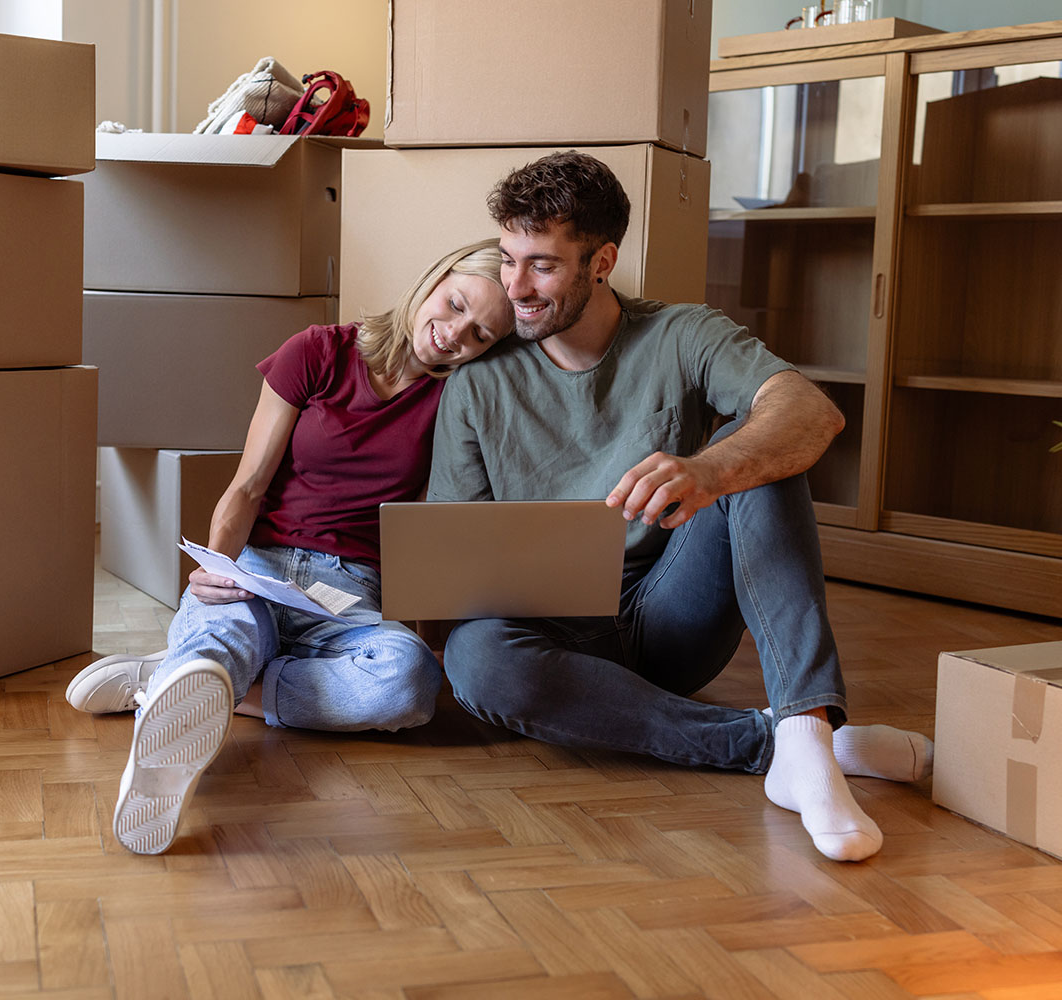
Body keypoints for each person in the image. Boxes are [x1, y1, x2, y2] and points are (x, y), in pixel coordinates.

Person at [426, 152, 933, 863]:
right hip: (549, 640)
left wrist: (712, 467)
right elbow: (453, 555)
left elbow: (811, 414)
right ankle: (790, 745)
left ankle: (805, 723)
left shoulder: (683, 334)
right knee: (476, 657)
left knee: (758, 449)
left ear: (600, 262)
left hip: (671, 615)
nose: (514, 287)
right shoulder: (477, 386)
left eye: (540, 264)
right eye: (509, 259)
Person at [66, 239, 513, 855]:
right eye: (455, 303)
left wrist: (427, 633)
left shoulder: (457, 399)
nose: (454, 333)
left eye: (481, 335)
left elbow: (440, 530)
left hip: (349, 593)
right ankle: (177, 725)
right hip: (259, 564)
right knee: (225, 632)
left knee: (408, 683)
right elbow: (247, 485)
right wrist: (213, 570)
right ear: (433, 279)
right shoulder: (319, 351)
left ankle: (185, 683)